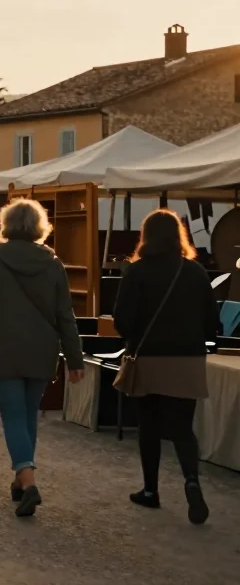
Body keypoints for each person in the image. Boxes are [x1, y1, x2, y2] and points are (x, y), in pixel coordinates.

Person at [0, 198, 84, 516]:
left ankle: (28, 482)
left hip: (2, 348)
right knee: (28, 416)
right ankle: (21, 479)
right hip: (41, 350)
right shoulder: (53, 263)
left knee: (13, 416)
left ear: (7, 225)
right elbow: (65, 315)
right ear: (40, 227)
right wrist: (74, 358)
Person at [114, 209, 215, 525]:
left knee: (149, 426)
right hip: (188, 359)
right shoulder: (196, 273)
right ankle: (192, 482)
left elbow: (122, 322)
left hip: (148, 359)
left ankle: (150, 490)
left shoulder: (136, 272)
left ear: (146, 235)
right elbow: (212, 325)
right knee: (183, 428)